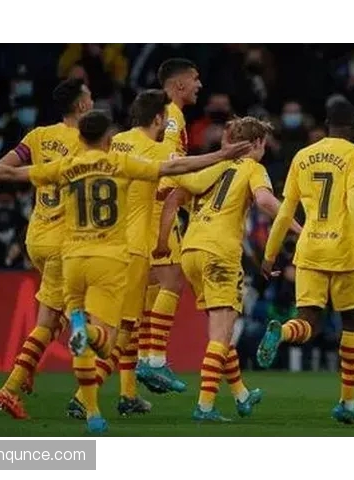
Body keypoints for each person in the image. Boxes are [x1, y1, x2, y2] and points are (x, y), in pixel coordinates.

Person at [0, 110, 251, 433]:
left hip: (71, 260)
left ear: (81, 137)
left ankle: (93, 410)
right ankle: (90, 375)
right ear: (108, 138)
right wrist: (222, 155)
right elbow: (174, 167)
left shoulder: (66, 166)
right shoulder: (119, 164)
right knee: (106, 343)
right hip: (107, 262)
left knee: (72, 336)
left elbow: (10, 173)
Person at [66, 90, 236, 418]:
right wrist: (225, 158)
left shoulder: (115, 143)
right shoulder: (159, 151)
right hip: (135, 249)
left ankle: (123, 393)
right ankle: (84, 396)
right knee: (122, 331)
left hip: (103, 244)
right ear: (158, 119)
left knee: (126, 326)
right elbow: (189, 177)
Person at [154, 116, 302, 421]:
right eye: (263, 144)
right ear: (256, 143)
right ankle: (205, 406)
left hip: (192, 251)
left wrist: (162, 241)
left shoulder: (208, 167)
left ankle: (241, 394)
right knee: (222, 335)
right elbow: (265, 201)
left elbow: (174, 197)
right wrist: (300, 229)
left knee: (218, 331)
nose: (264, 150)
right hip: (220, 253)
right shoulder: (252, 168)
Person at [255, 99, 354, 425]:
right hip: (346, 253)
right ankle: (347, 404)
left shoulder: (302, 156)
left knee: (308, 322)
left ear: (327, 126)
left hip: (310, 250)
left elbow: (285, 211)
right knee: (352, 325)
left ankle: (282, 332)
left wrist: (269, 255)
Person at [0, 78, 93, 419]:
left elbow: (3, 166)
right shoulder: (89, 141)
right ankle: (13, 389)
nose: (94, 102)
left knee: (55, 316)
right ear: (82, 105)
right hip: (66, 243)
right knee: (83, 320)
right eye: (91, 97)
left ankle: (28, 366)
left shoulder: (38, 136)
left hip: (36, 238)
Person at [137, 58, 202, 394]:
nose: (199, 85)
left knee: (152, 285)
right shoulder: (172, 116)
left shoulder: (159, 115)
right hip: (160, 205)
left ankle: (145, 358)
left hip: (145, 207)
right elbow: (167, 160)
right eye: (195, 79)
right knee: (174, 279)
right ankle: (156, 360)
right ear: (179, 85)